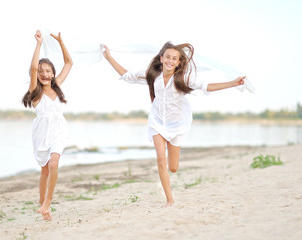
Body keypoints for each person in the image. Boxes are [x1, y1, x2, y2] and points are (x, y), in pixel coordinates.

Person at [102, 42, 245, 208]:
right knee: (161, 159)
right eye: (167, 57)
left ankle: (168, 171)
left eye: (174, 58)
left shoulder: (183, 78)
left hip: (177, 124)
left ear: (178, 62)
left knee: (173, 167)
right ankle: (169, 200)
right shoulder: (152, 75)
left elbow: (206, 86)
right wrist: (109, 58)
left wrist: (232, 83)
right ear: (162, 58)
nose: (170, 60)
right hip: (157, 122)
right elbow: (128, 75)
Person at [22, 30, 73, 220]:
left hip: (58, 131)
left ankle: (48, 201)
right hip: (41, 134)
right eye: (41, 71)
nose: (44, 74)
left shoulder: (57, 86)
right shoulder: (35, 92)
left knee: (54, 163)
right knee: (44, 171)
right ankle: (43, 205)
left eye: (48, 71)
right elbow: (33, 68)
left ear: (53, 74)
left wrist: (61, 41)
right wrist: (38, 44)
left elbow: (69, 63)